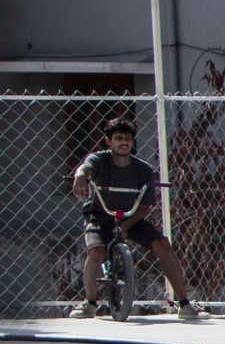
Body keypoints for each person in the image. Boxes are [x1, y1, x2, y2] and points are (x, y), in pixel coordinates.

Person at [69, 117, 197, 319]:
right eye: (118, 138)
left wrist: (127, 225)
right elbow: (85, 168)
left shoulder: (143, 169)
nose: (123, 142)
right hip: (100, 216)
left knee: (163, 244)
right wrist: (80, 176)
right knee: (96, 251)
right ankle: (90, 303)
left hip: (131, 217)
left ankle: (184, 303)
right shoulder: (99, 160)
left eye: (128, 139)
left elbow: (145, 207)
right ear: (108, 141)